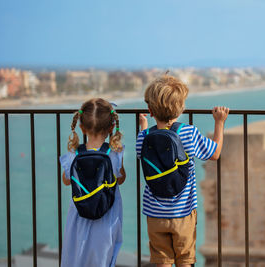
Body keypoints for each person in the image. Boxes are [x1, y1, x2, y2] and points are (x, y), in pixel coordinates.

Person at [136, 74, 229, 267]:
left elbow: (141, 151)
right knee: (185, 260)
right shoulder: (188, 133)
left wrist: (143, 127)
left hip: (154, 214)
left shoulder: (144, 138)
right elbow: (215, 153)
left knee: (161, 260)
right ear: (180, 109)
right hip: (183, 214)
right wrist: (219, 122)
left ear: (150, 111)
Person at [60, 98, 126, 267]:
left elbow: (66, 181)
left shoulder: (74, 153)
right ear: (112, 127)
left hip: (79, 216)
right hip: (107, 216)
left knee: (77, 254)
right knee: (103, 257)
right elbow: (121, 179)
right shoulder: (114, 153)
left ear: (81, 127)